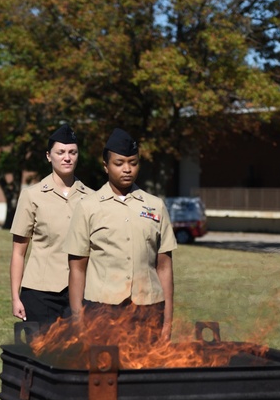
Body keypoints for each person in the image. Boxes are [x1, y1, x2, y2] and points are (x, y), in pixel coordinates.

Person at [65, 128, 176, 342]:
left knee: (146, 371)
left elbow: (164, 266)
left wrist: (167, 322)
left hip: (149, 309)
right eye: (119, 163)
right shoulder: (88, 207)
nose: (127, 169)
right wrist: (78, 321)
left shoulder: (155, 206)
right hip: (102, 310)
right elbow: (77, 267)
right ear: (106, 166)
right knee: (105, 372)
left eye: (133, 163)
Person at [9, 124, 93, 329]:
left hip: (82, 292)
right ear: (49, 156)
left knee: (76, 358)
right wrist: (14, 296)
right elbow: (19, 252)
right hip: (40, 294)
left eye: (72, 152)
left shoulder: (92, 198)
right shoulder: (32, 195)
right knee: (40, 359)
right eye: (61, 152)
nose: (67, 157)